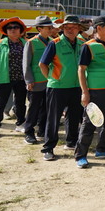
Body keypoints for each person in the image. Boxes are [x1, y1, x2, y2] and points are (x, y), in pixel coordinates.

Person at [38, 15, 86, 161]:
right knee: (53, 118)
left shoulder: (82, 43)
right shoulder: (55, 43)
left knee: (73, 116)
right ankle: (48, 148)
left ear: (79, 29)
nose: (70, 30)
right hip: (57, 87)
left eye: (74, 27)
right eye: (67, 27)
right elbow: (42, 64)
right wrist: (52, 78)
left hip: (76, 86)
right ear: (63, 28)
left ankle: (71, 142)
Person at [75, 16, 105, 168]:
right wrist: (84, 92)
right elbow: (81, 70)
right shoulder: (88, 46)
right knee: (89, 123)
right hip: (95, 91)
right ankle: (80, 155)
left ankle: (103, 149)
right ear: (99, 28)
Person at [22, 15, 54, 144]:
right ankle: (29, 132)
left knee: (46, 108)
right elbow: (26, 63)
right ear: (39, 28)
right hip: (36, 81)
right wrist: (28, 80)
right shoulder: (31, 42)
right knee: (33, 108)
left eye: (50, 27)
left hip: (50, 81)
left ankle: (42, 131)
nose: (50, 29)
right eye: (47, 27)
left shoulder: (53, 41)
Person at [0, 17, 28, 138]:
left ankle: (20, 124)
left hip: (21, 79)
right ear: (6, 31)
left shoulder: (26, 44)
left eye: (16, 27)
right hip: (3, 78)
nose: (13, 30)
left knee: (20, 103)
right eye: (9, 28)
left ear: (21, 30)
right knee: (0, 104)